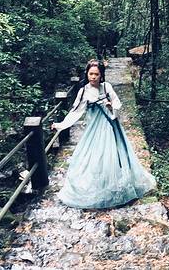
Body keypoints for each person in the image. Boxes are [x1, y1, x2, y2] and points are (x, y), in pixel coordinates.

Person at [51, 59, 156, 209]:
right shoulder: (83, 91)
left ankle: (114, 186)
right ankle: (97, 186)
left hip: (110, 125)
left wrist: (111, 106)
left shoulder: (106, 87)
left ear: (101, 75)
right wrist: (60, 125)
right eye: (91, 74)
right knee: (93, 155)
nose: (93, 77)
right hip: (94, 128)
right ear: (87, 74)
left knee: (112, 154)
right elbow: (75, 112)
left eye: (96, 74)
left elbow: (117, 103)